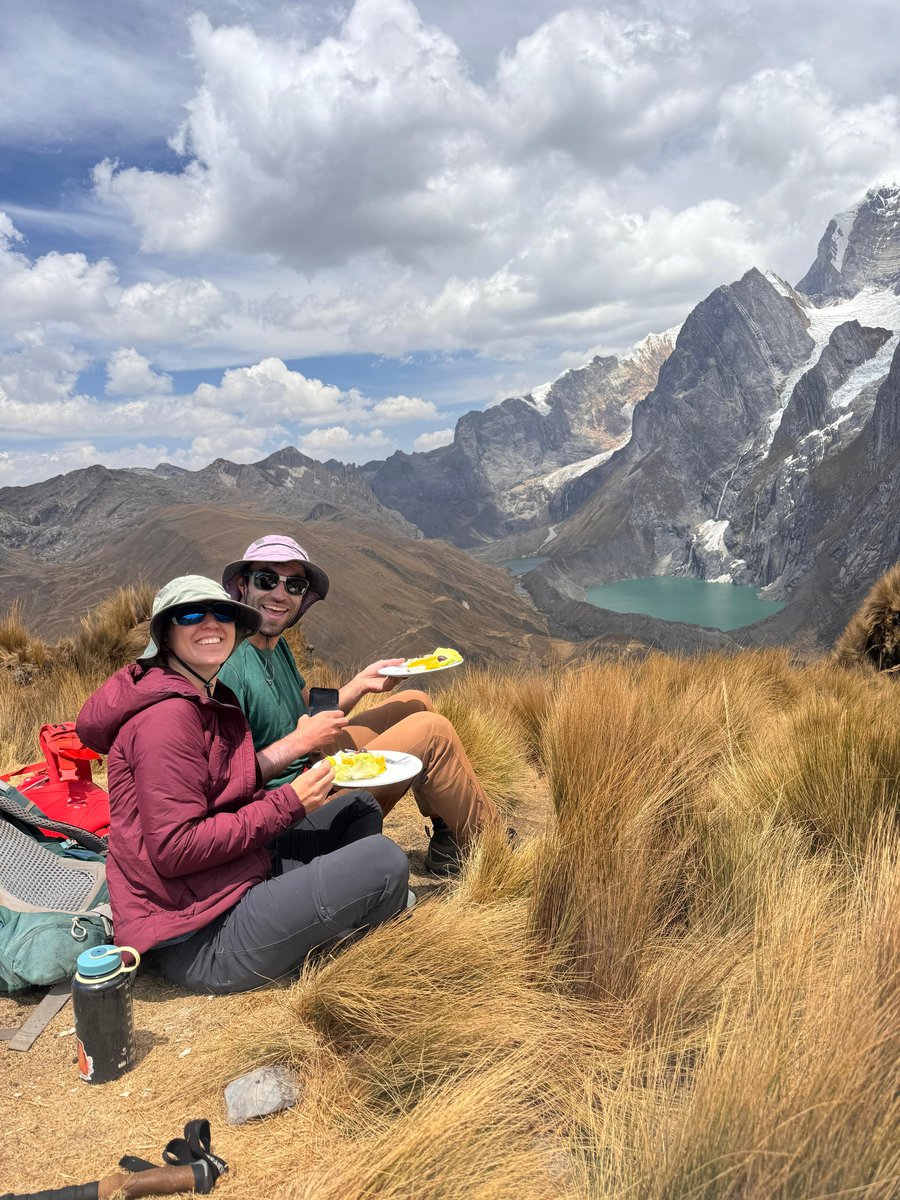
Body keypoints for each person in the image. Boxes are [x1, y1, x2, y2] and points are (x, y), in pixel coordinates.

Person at [76, 575, 409, 994]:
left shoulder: (204, 695)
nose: (211, 624)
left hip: (226, 879)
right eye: (190, 615)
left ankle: (335, 919)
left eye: (223, 613)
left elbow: (222, 786)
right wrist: (289, 802)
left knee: (358, 807)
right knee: (384, 861)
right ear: (165, 635)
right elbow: (175, 849)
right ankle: (345, 935)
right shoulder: (166, 719)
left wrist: (295, 781)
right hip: (198, 933)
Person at [218, 535, 500, 876]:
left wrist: (362, 684)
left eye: (294, 585)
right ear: (242, 585)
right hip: (297, 808)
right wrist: (301, 745)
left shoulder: (275, 645)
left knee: (416, 703)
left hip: (310, 762)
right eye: (266, 580)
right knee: (434, 734)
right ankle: (495, 850)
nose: (280, 594)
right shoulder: (229, 666)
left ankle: (448, 837)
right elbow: (226, 781)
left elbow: (305, 711)